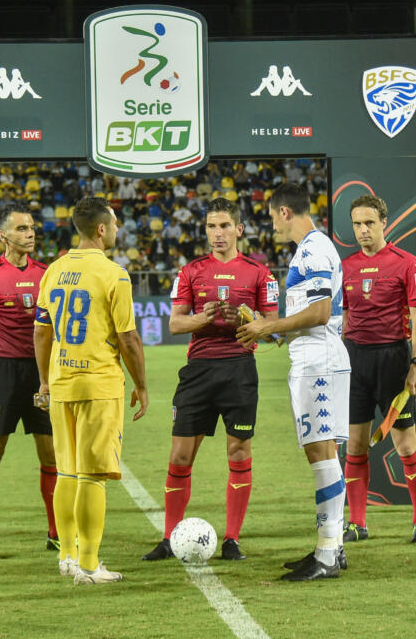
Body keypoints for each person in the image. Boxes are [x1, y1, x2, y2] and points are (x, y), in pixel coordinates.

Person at [141, 197, 278, 562]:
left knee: (238, 451)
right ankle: (170, 538)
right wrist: (203, 319)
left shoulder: (259, 273)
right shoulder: (190, 272)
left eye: (224, 226)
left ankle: (232, 538)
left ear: (239, 229)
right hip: (198, 371)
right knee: (181, 454)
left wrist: (247, 321)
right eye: (211, 227)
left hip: (239, 371)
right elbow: (175, 323)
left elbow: (273, 328)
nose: (217, 233)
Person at [236, 184, 349, 581]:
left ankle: (328, 554)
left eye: (271, 217)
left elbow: (319, 313)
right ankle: (330, 546)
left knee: (322, 454)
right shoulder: (312, 250)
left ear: (285, 212)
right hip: (314, 354)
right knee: (323, 453)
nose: (272, 226)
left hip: (318, 359)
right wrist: (270, 330)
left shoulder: (313, 249)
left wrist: (272, 324)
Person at [33, 196, 148, 585]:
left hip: (62, 381)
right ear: (101, 229)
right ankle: (89, 564)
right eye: (114, 224)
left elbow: (41, 331)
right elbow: (128, 338)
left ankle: (66, 556)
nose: (116, 230)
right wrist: (142, 386)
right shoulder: (113, 274)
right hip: (98, 383)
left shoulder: (53, 271)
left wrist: (46, 380)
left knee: (66, 471)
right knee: (92, 476)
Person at [0, 203, 58, 559]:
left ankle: (55, 533)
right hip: (2, 374)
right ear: (3, 235)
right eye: (21, 229)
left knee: (50, 454)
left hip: (41, 374)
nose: (30, 233)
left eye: (32, 227)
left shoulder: (47, 275)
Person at [340, 194, 416, 545]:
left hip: (393, 361)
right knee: (355, 445)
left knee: (406, 445)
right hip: (354, 362)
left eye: (369, 223)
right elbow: (345, 317)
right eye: (356, 224)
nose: (362, 230)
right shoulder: (345, 267)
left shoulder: (407, 263)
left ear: (383, 223)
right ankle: (357, 523)